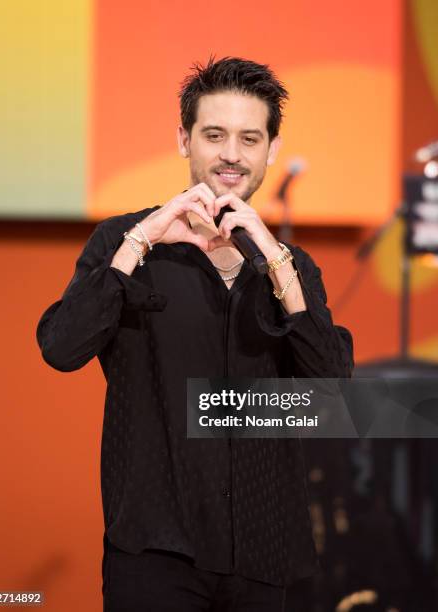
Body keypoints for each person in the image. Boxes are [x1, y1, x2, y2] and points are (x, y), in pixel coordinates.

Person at [36, 55, 354, 611]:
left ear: (271, 151)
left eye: (249, 138)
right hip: (156, 548)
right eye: (214, 134)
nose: (232, 153)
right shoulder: (125, 242)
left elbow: (332, 394)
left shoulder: (293, 268)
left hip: (262, 550)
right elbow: (62, 349)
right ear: (184, 140)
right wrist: (140, 242)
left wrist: (277, 264)